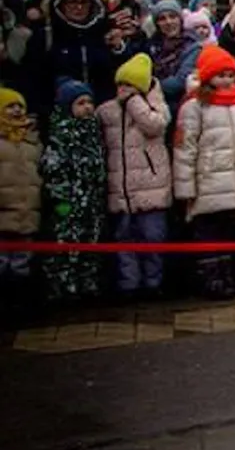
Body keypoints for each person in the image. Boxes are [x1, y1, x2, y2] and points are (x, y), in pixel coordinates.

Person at [173, 45, 235, 300]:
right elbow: (185, 150)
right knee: (209, 236)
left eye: (230, 74)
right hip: (208, 186)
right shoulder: (193, 107)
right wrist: (185, 190)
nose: (226, 80)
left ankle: (233, 277)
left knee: (234, 235)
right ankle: (211, 280)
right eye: (220, 75)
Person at [98, 54, 172, 297]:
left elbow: (156, 125)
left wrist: (135, 102)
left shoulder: (155, 107)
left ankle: (154, 283)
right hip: (121, 189)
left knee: (153, 239)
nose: (124, 90)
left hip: (152, 187)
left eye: (130, 85)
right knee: (124, 239)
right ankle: (129, 284)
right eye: (121, 85)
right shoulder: (107, 111)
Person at [41, 78, 106, 302]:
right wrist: (62, 203)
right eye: (80, 103)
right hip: (67, 204)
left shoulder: (94, 133)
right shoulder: (60, 136)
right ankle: (62, 288)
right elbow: (53, 172)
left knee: (91, 244)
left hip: (92, 202)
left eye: (89, 102)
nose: (87, 107)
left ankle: (87, 284)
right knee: (65, 247)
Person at [0, 86, 40, 309]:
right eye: (10, 106)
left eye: (19, 106)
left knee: (22, 262)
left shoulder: (32, 141)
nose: (16, 111)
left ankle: (19, 305)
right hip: (4, 214)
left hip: (27, 213)